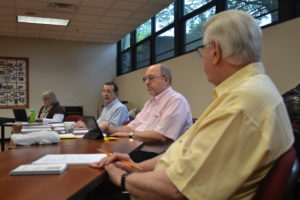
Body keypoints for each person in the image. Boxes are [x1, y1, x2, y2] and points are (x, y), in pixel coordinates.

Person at [90, 10, 294, 200]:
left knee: (95, 190)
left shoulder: (241, 105)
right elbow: (181, 154)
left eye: (201, 50)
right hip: (161, 174)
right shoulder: (247, 92)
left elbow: (177, 188)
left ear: (215, 51)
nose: (202, 56)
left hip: (168, 191)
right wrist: (136, 167)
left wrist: (123, 179)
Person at [102, 64, 193, 162]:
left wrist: (128, 135)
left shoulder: (176, 101)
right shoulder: (150, 103)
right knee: (102, 155)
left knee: (108, 163)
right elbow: (130, 127)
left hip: (158, 156)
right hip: (136, 148)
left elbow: (160, 136)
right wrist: (108, 130)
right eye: (145, 79)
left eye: (151, 78)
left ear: (166, 80)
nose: (147, 82)